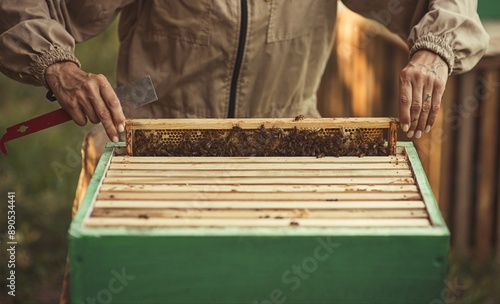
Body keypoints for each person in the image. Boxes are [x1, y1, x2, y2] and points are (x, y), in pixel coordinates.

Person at [0, 1, 489, 302]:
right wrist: (55, 63)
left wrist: (435, 48)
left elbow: (449, 4)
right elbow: (26, 7)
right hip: (148, 151)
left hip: (293, 155)